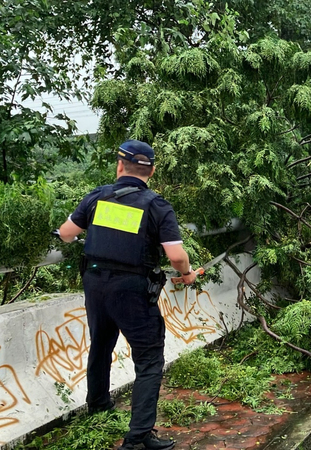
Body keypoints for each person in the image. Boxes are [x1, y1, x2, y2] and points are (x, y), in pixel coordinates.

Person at [58, 139, 197, 450]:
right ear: (152, 170)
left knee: (101, 344)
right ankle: (138, 437)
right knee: (148, 360)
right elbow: (175, 256)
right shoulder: (156, 205)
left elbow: (66, 234)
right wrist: (187, 273)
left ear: (120, 166)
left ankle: (98, 406)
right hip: (132, 288)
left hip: (95, 283)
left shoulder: (97, 196)